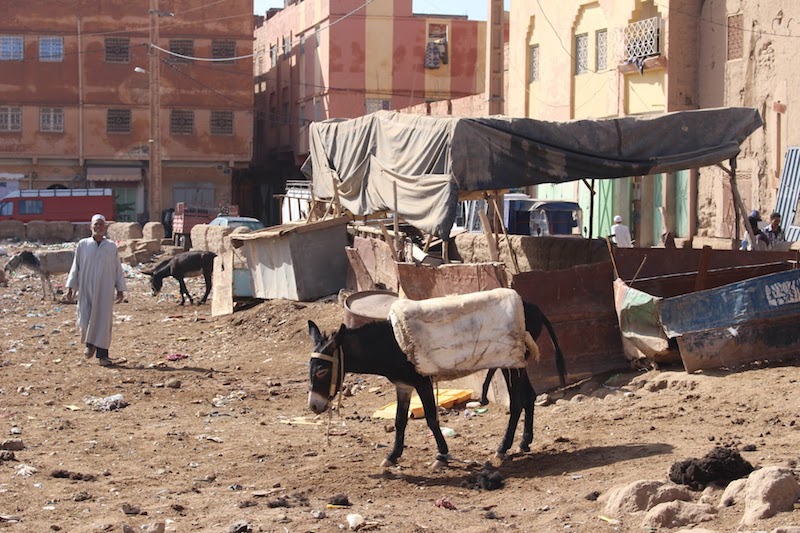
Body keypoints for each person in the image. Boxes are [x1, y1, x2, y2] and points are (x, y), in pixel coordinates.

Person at [65, 214, 126, 367]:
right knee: (85, 319)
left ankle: (103, 355)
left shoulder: (111, 246)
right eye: (95, 225)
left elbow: (117, 268)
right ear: (90, 227)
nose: (98, 227)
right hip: (86, 289)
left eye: (101, 225)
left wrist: (120, 288)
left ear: (104, 227)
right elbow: (75, 267)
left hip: (105, 289)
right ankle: (89, 344)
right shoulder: (83, 245)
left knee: (103, 322)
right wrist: (70, 287)